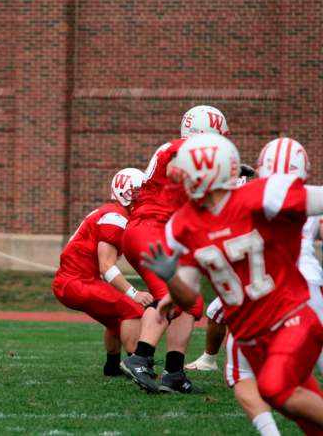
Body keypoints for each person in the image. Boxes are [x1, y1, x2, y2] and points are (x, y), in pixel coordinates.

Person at [144, 133, 323, 434]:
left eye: (184, 169)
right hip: (248, 331)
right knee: (302, 413)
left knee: (274, 388)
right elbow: (188, 298)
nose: (177, 178)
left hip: (290, 314)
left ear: (207, 171)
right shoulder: (181, 225)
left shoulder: (262, 194)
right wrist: (170, 277)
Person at [120, 105, 230, 394]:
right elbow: (180, 170)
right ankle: (140, 358)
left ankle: (174, 373)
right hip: (150, 230)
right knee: (170, 297)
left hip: (155, 232)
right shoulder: (183, 150)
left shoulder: (182, 149)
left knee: (190, 303)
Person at [52, 168, 154, 377]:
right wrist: (135, 293)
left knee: (115, 319)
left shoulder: (111, 213)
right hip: (77, 282)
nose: (144, 196)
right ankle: (138, 366)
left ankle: (112, 366)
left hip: (73, 280)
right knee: (133, 309)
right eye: (139, 192)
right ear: (125, 194)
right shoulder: (115, 217)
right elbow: (106, 267)